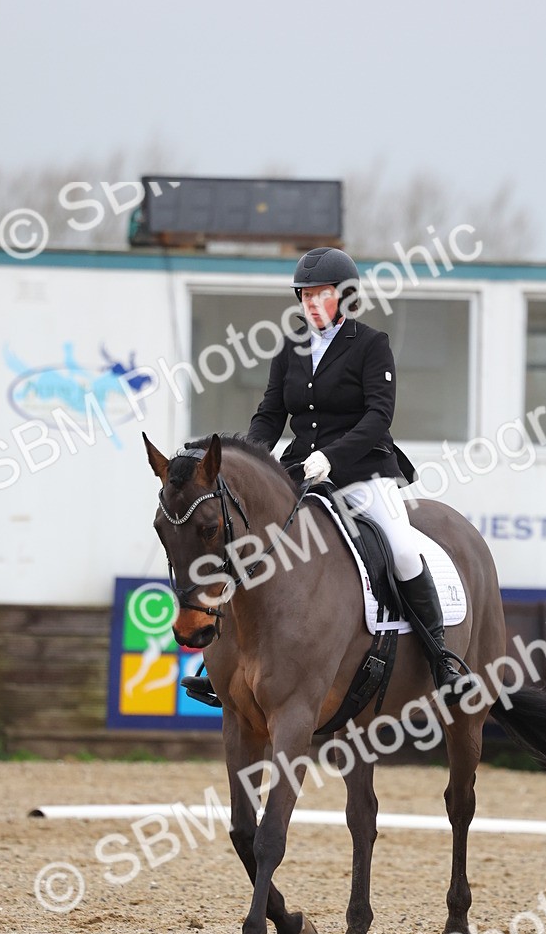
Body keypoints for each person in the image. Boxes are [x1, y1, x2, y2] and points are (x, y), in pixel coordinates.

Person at [184, 246, 474, 707]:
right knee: (249, 543)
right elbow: (270, 414)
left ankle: (442, 659)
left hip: (363, 472)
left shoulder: (371, 344)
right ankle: (218, 663)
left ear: (345, 297)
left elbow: (379, 415)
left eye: (323, 295)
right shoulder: (290, 348)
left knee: (401, 547)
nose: (313, 304)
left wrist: (333, 458)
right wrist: (247, 460)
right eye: (306, 296)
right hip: (300, 473)